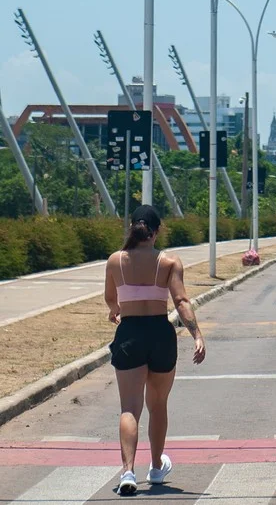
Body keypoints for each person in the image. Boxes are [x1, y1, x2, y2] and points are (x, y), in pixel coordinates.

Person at [104, 205, 206, 496]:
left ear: (132, 228)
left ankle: (127, 472)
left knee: (129, 407)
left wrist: (116, 311)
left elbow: (111, 300)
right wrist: (196, 334)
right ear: (157, 230)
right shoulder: (169, 261)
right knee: (157, 404)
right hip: (161, 334)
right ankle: (157, 466)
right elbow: (181, 301)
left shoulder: (115, 261)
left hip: (130, 334)